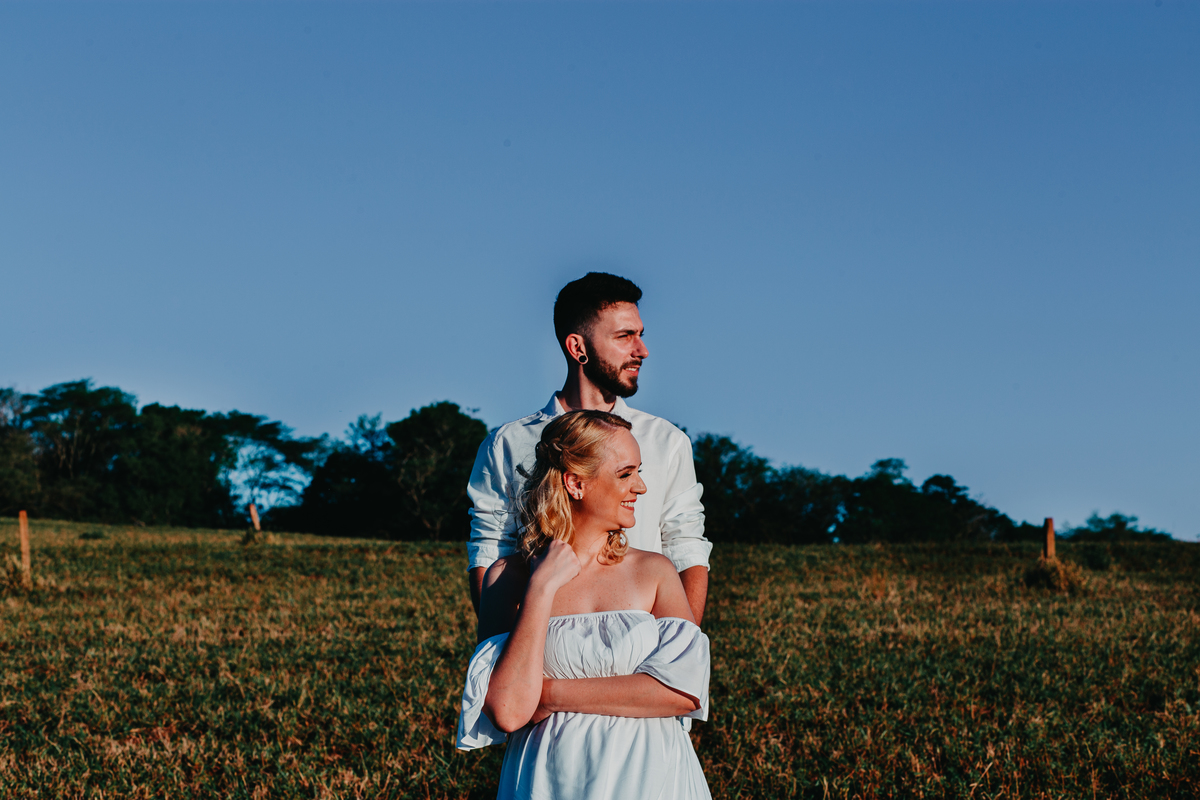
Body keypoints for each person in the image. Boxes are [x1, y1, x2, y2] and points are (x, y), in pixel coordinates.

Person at [457, 410, 711, 800]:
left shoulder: (654, 571)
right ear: (576, 483)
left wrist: (551, 694)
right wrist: (541, 587)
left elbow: (682, 692)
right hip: (549, 779)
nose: (640, 487)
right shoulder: (508, 579)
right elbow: (507, 712)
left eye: (638, 472)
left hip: (651, 776)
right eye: (626, 474)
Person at [467, 272, 711, 625]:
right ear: (577, 348)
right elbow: (491, 552)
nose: (641, 350)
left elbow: (686, 548)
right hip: (543, 651)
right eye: (625, 336)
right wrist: (509, 653)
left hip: (642, 654)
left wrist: (678, 652)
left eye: (640, 335)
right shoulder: (507, 444)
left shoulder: (667, 441)